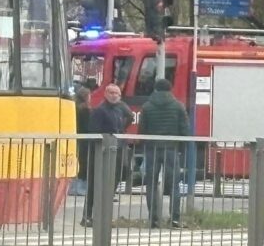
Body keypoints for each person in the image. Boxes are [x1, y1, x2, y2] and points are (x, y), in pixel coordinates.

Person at [140, 78, 190, 228]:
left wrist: (144, 144)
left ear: (155, 89)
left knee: (152, 184)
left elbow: (142, 130)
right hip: (171, 149)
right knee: (174, 184)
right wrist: (183, 147)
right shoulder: (178, 106)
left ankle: (153, 220)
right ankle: (174, 219)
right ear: (170, 89)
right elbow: (185, 129)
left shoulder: (147, 106)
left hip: (152, 149)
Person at [82, 83, 133, 227]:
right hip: (100, 153)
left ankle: (103, 216)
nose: (113, 95)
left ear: (120, 96)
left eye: (116, 93)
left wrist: (121, 131)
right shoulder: (99, 110)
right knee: (95, 185)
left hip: (115, 152)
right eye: (111, 92)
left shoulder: (120, 108)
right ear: (105, 94)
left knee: (111, 186)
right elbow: (93, 131)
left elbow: (129, 117)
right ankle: (88, 216)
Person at [72, 86, 92, 197]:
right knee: (83, 162)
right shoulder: (85, 109)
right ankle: (80, 187)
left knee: (76, 161)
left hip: (76, 137)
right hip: (84, 139)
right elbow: (88, 125)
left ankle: (73, 186)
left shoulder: (74, 107)